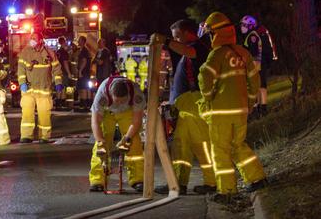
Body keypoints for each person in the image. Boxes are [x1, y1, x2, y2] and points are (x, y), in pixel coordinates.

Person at [199, 12, 267, 201]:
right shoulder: (242, 52)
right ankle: (257, 178)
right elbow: (254, 79)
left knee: (220, 150)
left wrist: (208, 96)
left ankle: (227, 190)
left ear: (216, 34)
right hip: (241, 110)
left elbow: (205, 77)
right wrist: (251, 102)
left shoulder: (216, 55)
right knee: (239, 145)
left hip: (220, 112)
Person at [154, 19, 216, 195]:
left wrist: (166, 42)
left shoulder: (200, 46)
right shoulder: (187, 51)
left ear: (187, 32)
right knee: (181, 145)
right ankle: (178, 183)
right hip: (186, 105)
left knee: (202, 144)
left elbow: (190, 52)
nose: (176, 41)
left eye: (177, 36)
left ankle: (212, 182)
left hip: (195, 103)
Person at [89, 76, 145, 193]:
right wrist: (100, 141)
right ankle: (97, 180)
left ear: (128, 95)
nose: (119, 104)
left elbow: (136, 122)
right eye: (117, 101)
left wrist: (127, 138)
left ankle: (137, 179)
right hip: (107, 112)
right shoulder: (102, 95)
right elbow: (95, 122)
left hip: (127, 112)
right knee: (101, 147)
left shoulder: (136, 95)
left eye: (122, 101)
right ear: (110, 94)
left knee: (134, 142)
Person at [17, 32, 63, 143]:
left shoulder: (49, 53)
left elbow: (56, 68)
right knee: (27, 113)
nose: (32, 40)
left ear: (41, 40)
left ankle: (44, 137)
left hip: (44, 89)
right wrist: (22, 82)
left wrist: (58, 82)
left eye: (34, 38)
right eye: (31, 38)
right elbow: (21, 69)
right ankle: (26, 136)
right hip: (29, 89)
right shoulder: (25, 52)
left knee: (44, 115)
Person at [240, 15, 273, 119]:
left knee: (260, 87)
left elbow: (253, 53)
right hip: (259, 64)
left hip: (257, 65)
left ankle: (262, 109)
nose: (242, 27)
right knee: (259, 87)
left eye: (244, 25)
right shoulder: (253, 34)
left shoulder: (252, 36)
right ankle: (260, 108)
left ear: (250, 26)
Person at [55, 37, 73, 109]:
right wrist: (69, 73)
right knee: (63, 88)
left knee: (59, 88)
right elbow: (65, 63)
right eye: (65, 42)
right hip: (63, 72)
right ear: (63, 42)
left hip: (57, 72)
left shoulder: (57, 52)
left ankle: (58, 104)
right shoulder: (64, 52)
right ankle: (61, 104)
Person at [76, 36, 93, 110]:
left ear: (82, 41)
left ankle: (84, 104)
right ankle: (87, 104)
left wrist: (80, 71)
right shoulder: (85, 50)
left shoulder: (84, 51)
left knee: (83, 88)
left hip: (84, 72)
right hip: (86, 72)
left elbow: (84, 61)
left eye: (79, 40)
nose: (78, 42)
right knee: (86, 87)